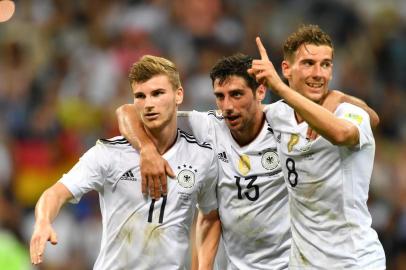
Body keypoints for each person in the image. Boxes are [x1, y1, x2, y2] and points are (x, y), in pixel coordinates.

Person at [116, 54, 379, 269]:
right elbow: (127, 111)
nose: (227, 106)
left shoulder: (287, 118)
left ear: (261, 91)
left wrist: (335, 98)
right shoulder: (208, 127)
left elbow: (371, 118)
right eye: (220, 96)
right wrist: (147, 149)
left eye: (237, 94)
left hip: (296, 263)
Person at [29, 55, 221, 270]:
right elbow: (55, 193)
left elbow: (211, 216)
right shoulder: (109, 154)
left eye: (158, 94)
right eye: (140, 96)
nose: (149, 104)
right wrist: (43, 221)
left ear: (179, 95)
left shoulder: (201, 156)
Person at [248, 24, 386, 269]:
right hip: (303, 262)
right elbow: (219, 122)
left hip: (354, 262)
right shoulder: (277, 114)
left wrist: (279, 87)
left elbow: (344, 132)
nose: (319, 73)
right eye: (309, 63)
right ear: (286, 69)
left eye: (326, 64)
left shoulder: (347, 112)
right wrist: (153, 146)